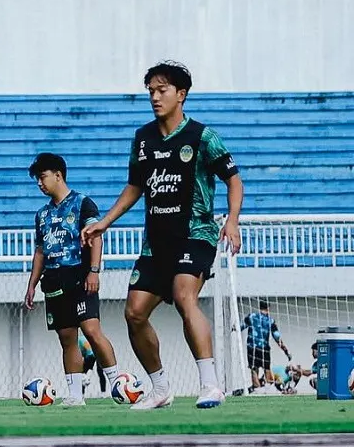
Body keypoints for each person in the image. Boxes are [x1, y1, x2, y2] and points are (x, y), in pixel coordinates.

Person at [83, 62, 244, 410]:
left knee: (184, 296)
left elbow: (234, 180)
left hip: (194, 234)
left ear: (181, 94)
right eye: (151, 91)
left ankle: (210, 384)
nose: (155, 97)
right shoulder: (142, 138)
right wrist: (105, 222)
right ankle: (160, 389)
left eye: (162, 90)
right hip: (156, 242)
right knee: (134, 312)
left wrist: (232, 221)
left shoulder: (202, 137)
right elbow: (135, 186)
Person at [22, 153, 122, 407]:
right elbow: (40, 251)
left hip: (80, 277)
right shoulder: (42, 215)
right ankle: (76, 395)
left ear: (58, 175)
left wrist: (94, 270)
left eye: (43, 177)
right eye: (37, 179)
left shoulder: (82, 203)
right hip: (54, 281)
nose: (40, 183)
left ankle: (117, 385)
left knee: (91, 330)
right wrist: (31, 285)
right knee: (66, 337)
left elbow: (96, 236)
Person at [241, 301, 291, 392]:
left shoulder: (252, 317)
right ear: (268, 308)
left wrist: (233, 329)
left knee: (254, 368)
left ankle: (257, 390)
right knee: (266, 368)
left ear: (260, 308)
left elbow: (241, 326)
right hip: (264, 348)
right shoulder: (270, 321)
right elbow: (277, 337)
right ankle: (269, 388)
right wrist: (286, 351)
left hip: (252, 347)